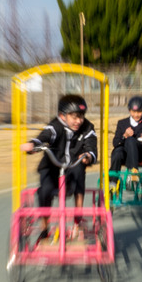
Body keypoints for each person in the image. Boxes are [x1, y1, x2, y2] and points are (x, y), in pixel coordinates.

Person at [20, 94, 97, 243]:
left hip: (73, 168)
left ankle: (77, 222)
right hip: (52, 168)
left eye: (81, 116)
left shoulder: (87, 128)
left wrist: (88, 155)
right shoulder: (55, 126)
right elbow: (45, 135)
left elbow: (91, 145)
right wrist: (33, 144)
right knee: (45, 190)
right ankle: (44, 228)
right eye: (74, 117)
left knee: (79, 170)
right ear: (62, 115)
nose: (79, 121)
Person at [109, 96, 142, 181]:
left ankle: (133, 172)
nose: (136, 115)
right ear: (129, 110)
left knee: (131, 140)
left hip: (140, 153)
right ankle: (113, 181)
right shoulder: (122, 123)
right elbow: (116, 143)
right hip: (125, 154)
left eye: (139, 112)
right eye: (134, 112)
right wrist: (125, 135)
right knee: (117, 152)